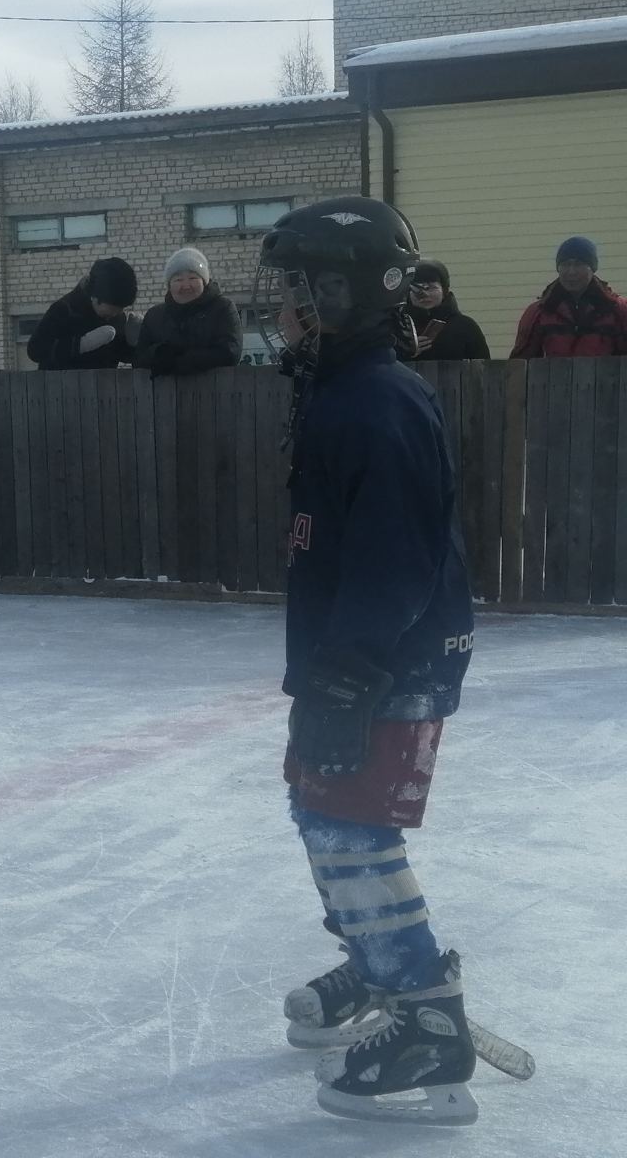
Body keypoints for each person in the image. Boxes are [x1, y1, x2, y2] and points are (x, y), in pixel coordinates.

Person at [254, 196, 479, 1125]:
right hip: (355, 654)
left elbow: (397, 559)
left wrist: (347, 677)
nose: (284, 312)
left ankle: (427, 1019)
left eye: (301, 293)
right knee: (319, 807)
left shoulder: (376, 403)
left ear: (349, 295)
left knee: (349, 827)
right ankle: (376, 962)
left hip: (388, 660)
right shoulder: (338, 392)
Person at [509, 236, 627, 358]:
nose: (571, 272)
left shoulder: (619, 311)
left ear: (592, 268)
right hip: (553, 377)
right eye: (565, 264)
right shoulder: (538, 313)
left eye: (578, 264)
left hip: (604, 377)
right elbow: (520, 365)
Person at [134, 247, 242, 375]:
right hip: (163, 393)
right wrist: (159, 354)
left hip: (216, 390)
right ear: (169, 285)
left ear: (204, 281)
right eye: (178, 280)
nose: (186, 285)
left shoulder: (223, 308)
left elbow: (230, 352)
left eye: (192, 278)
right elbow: (139, 359)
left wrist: (180, 361)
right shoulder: (154, 316)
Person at [26, 256, 141, 369]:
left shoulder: (117, 318)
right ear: (95, 297)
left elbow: (122, 355)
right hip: (61, 385)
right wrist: (82, 344)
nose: (117, 313)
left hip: (104, 386)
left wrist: (134, 343)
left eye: (121, 308)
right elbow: (35, 351)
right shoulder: (64, 310)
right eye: (114, 307)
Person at [401, 259, 489, 363]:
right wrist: (403, 353)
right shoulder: (397, 329)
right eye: (417, 289)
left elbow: (485, 368)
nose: (425, 294)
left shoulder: (465, 327)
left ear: (444, 291)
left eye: (432, 288)